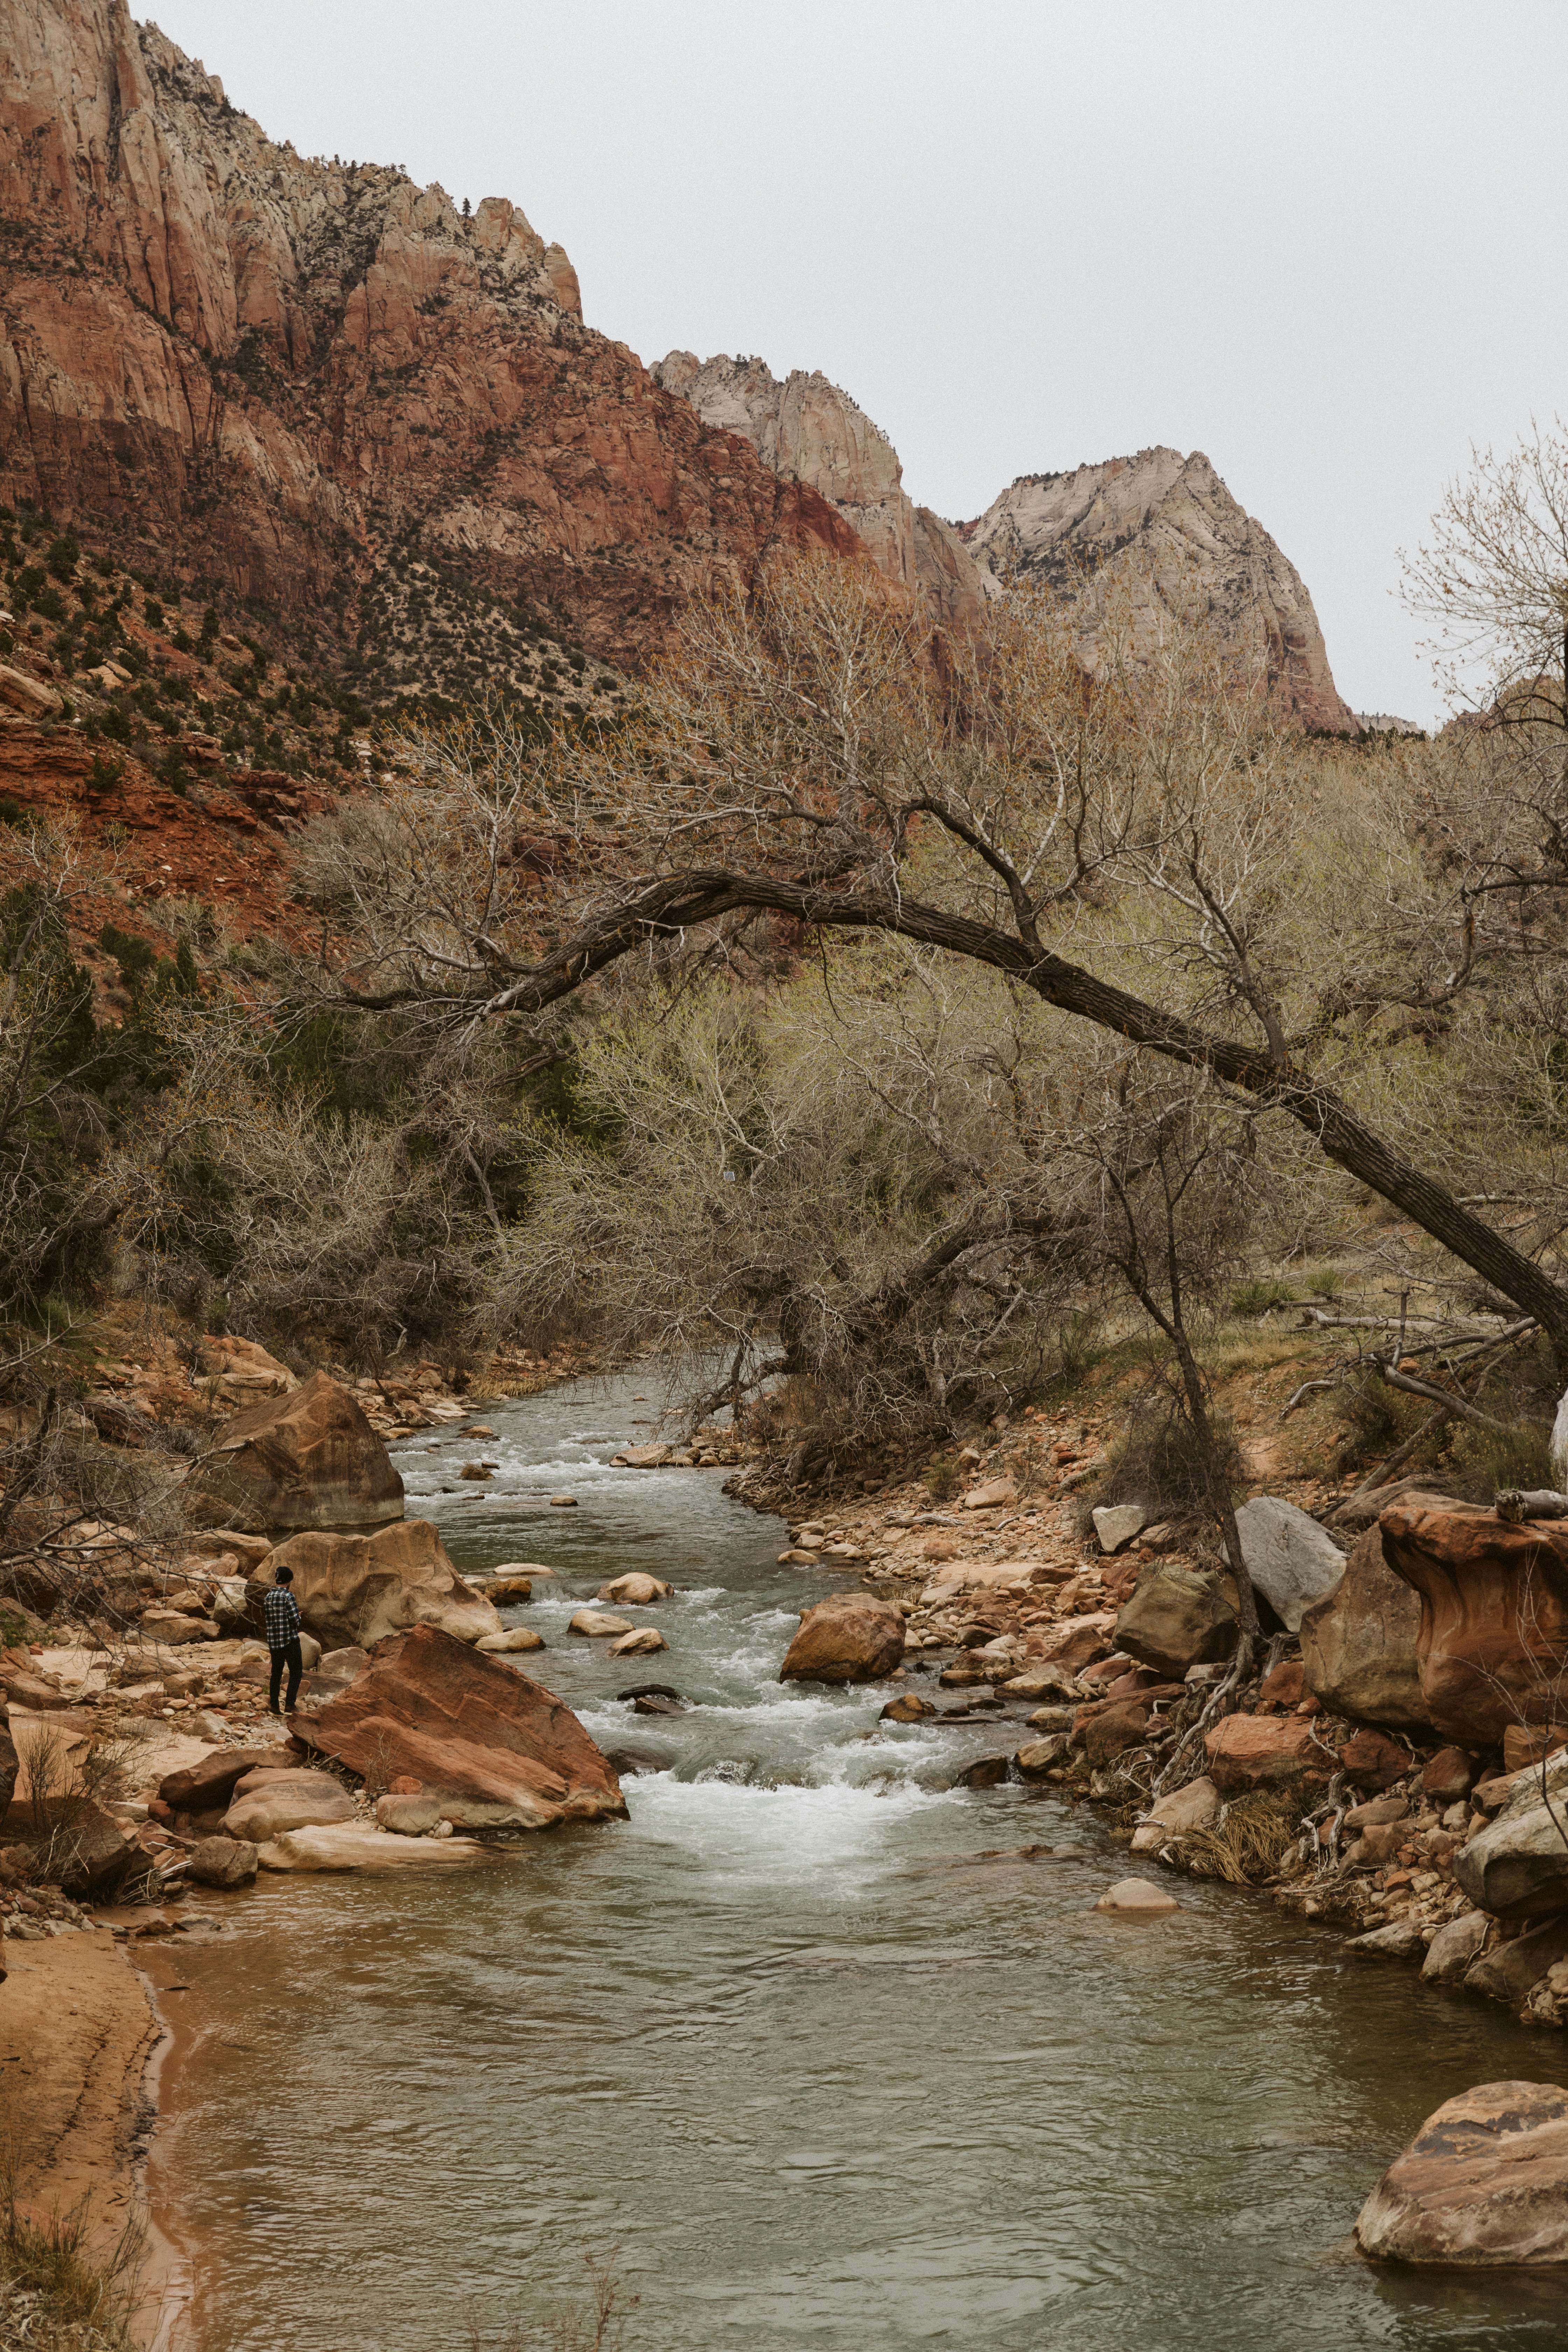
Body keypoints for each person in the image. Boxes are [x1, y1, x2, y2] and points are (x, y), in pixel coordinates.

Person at [264, 1565, 304, 1716]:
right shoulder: (288, 1596)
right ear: (289, 1580)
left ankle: (274, 1706)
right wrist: (299, 1616)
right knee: (296, 1673)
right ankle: (290, 1705)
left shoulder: (268, 1597)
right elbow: (296, 1621)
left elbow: (269, 1619)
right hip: (290, 1641)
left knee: (276, 1673)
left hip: (274, 1642)